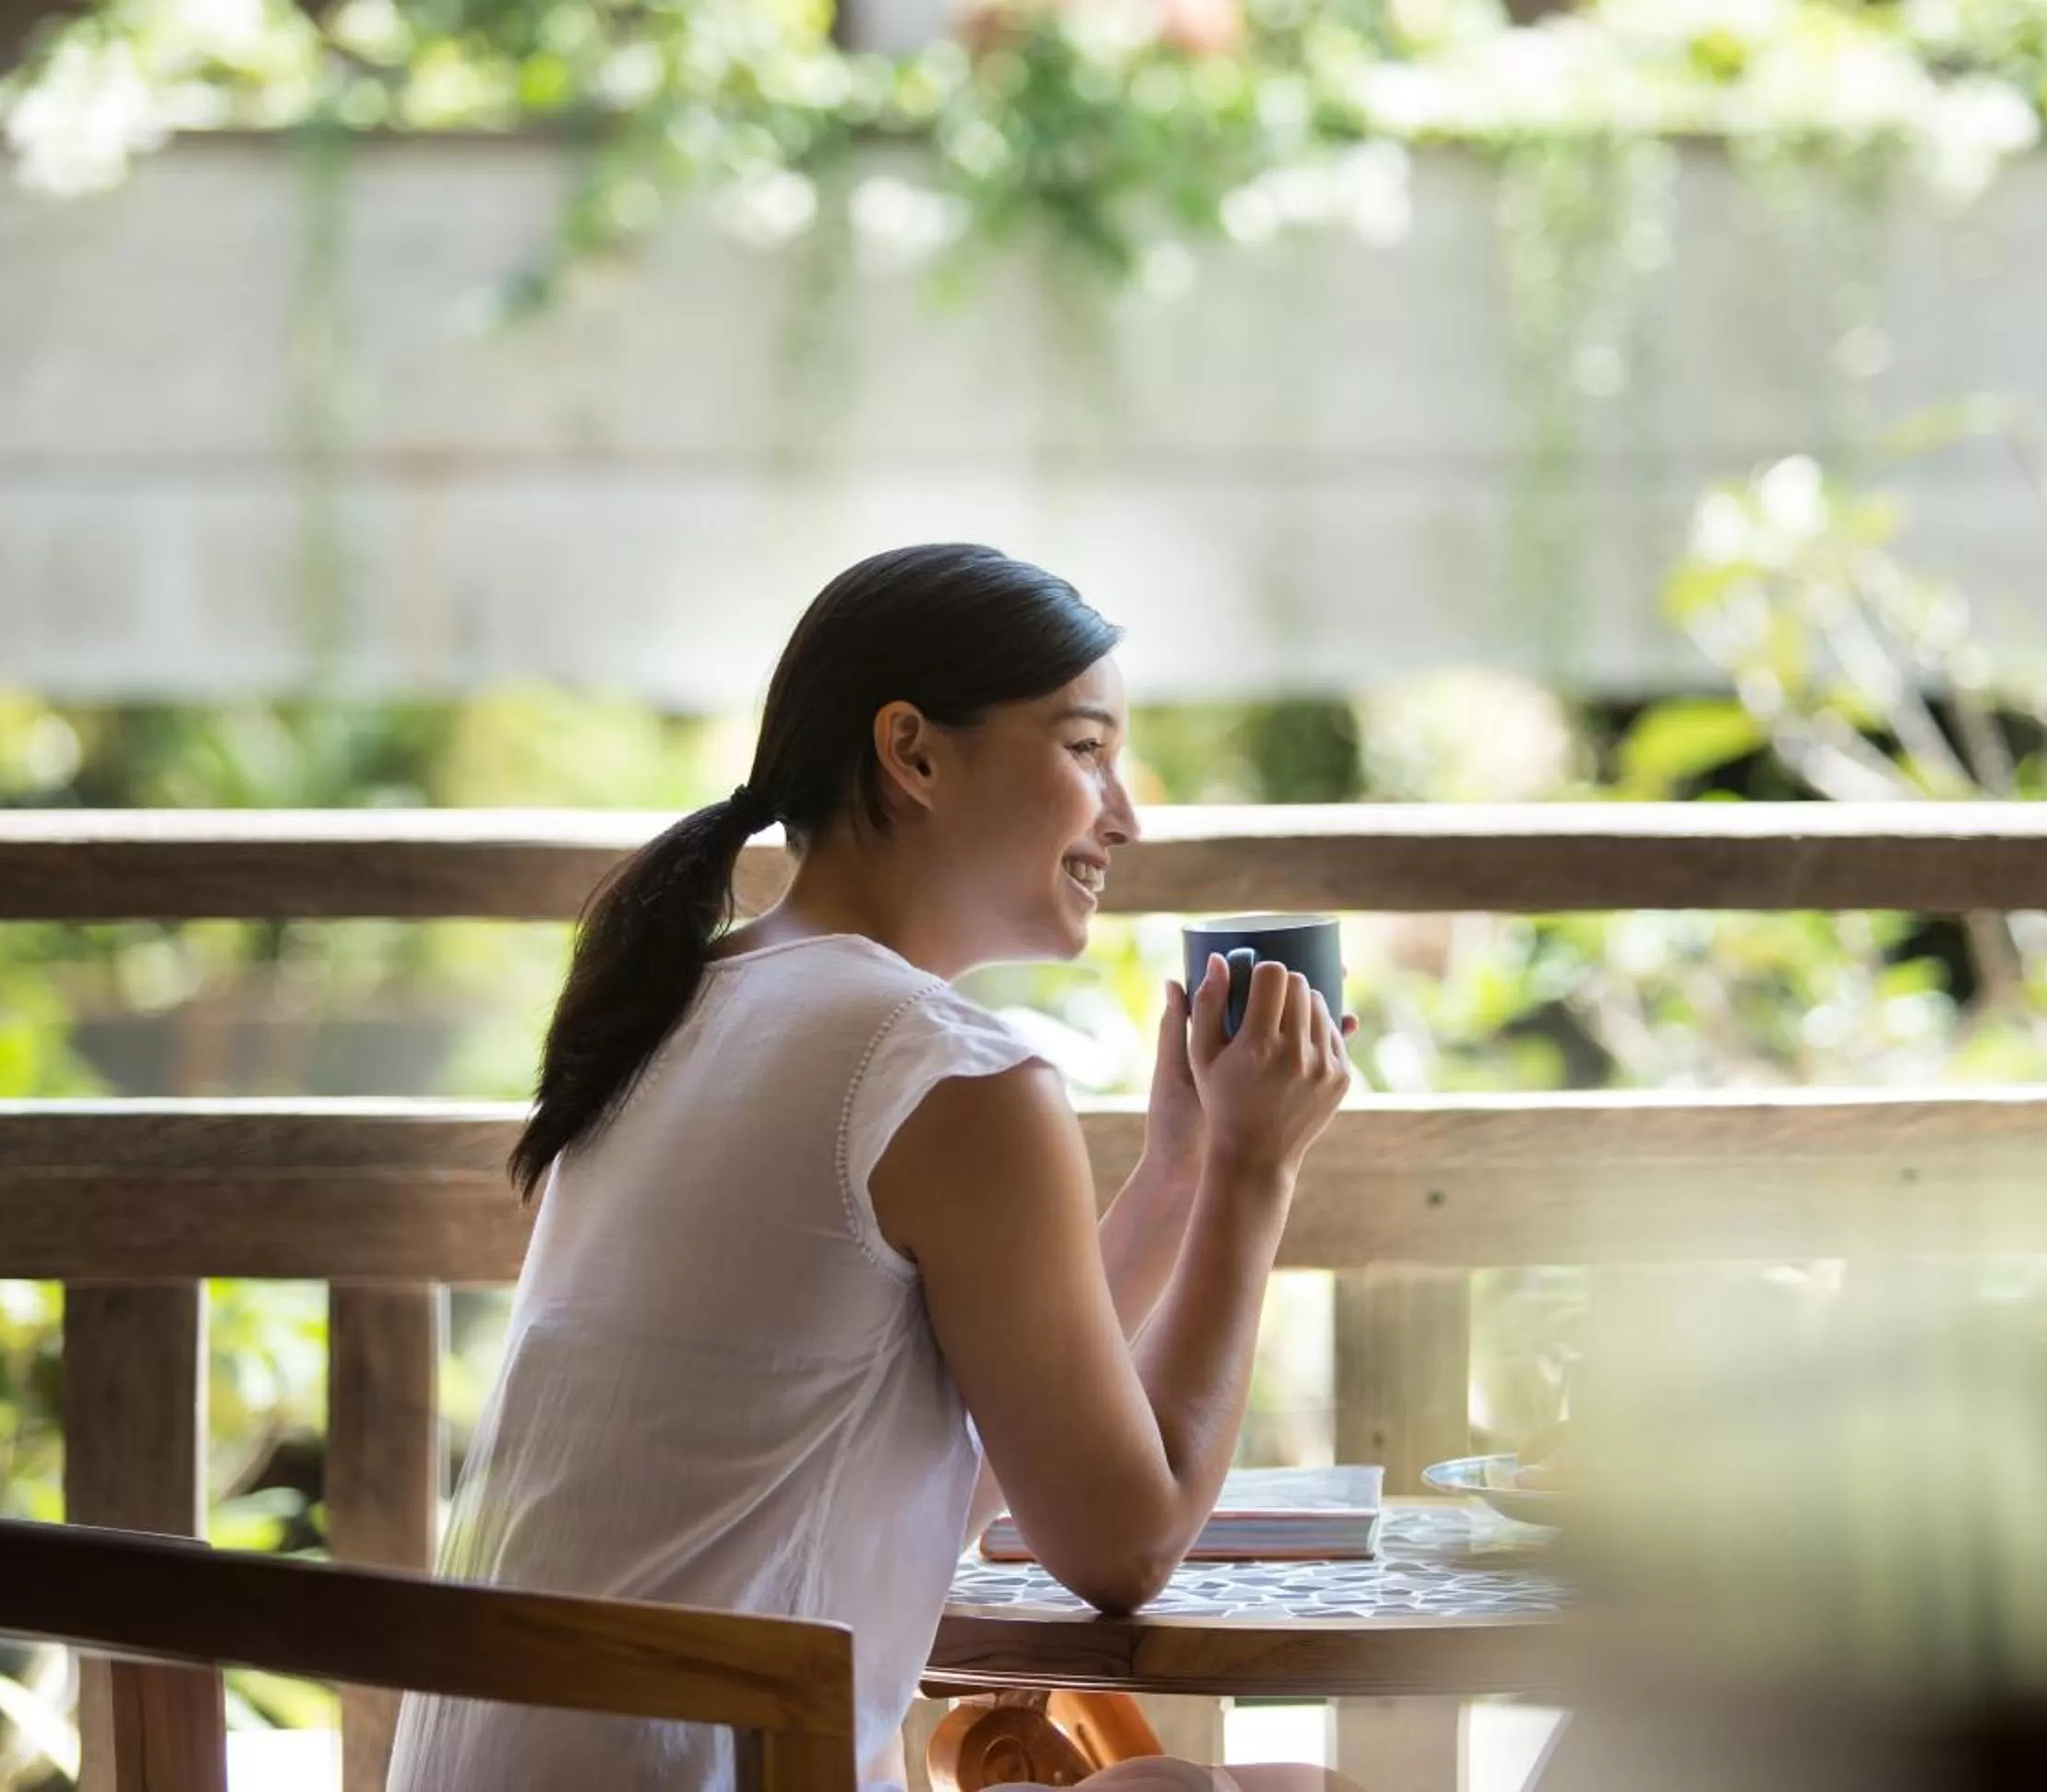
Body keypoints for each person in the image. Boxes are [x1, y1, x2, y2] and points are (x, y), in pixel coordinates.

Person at [389, 544, 1361, 1792]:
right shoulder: (945, 1069)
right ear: (912, 753)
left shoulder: (692, 1002)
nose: (1126, 814)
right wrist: (1250, 1174)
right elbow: (1125, 1541)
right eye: (1083, 750)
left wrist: (1174, 1171)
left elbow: (987, 1439)